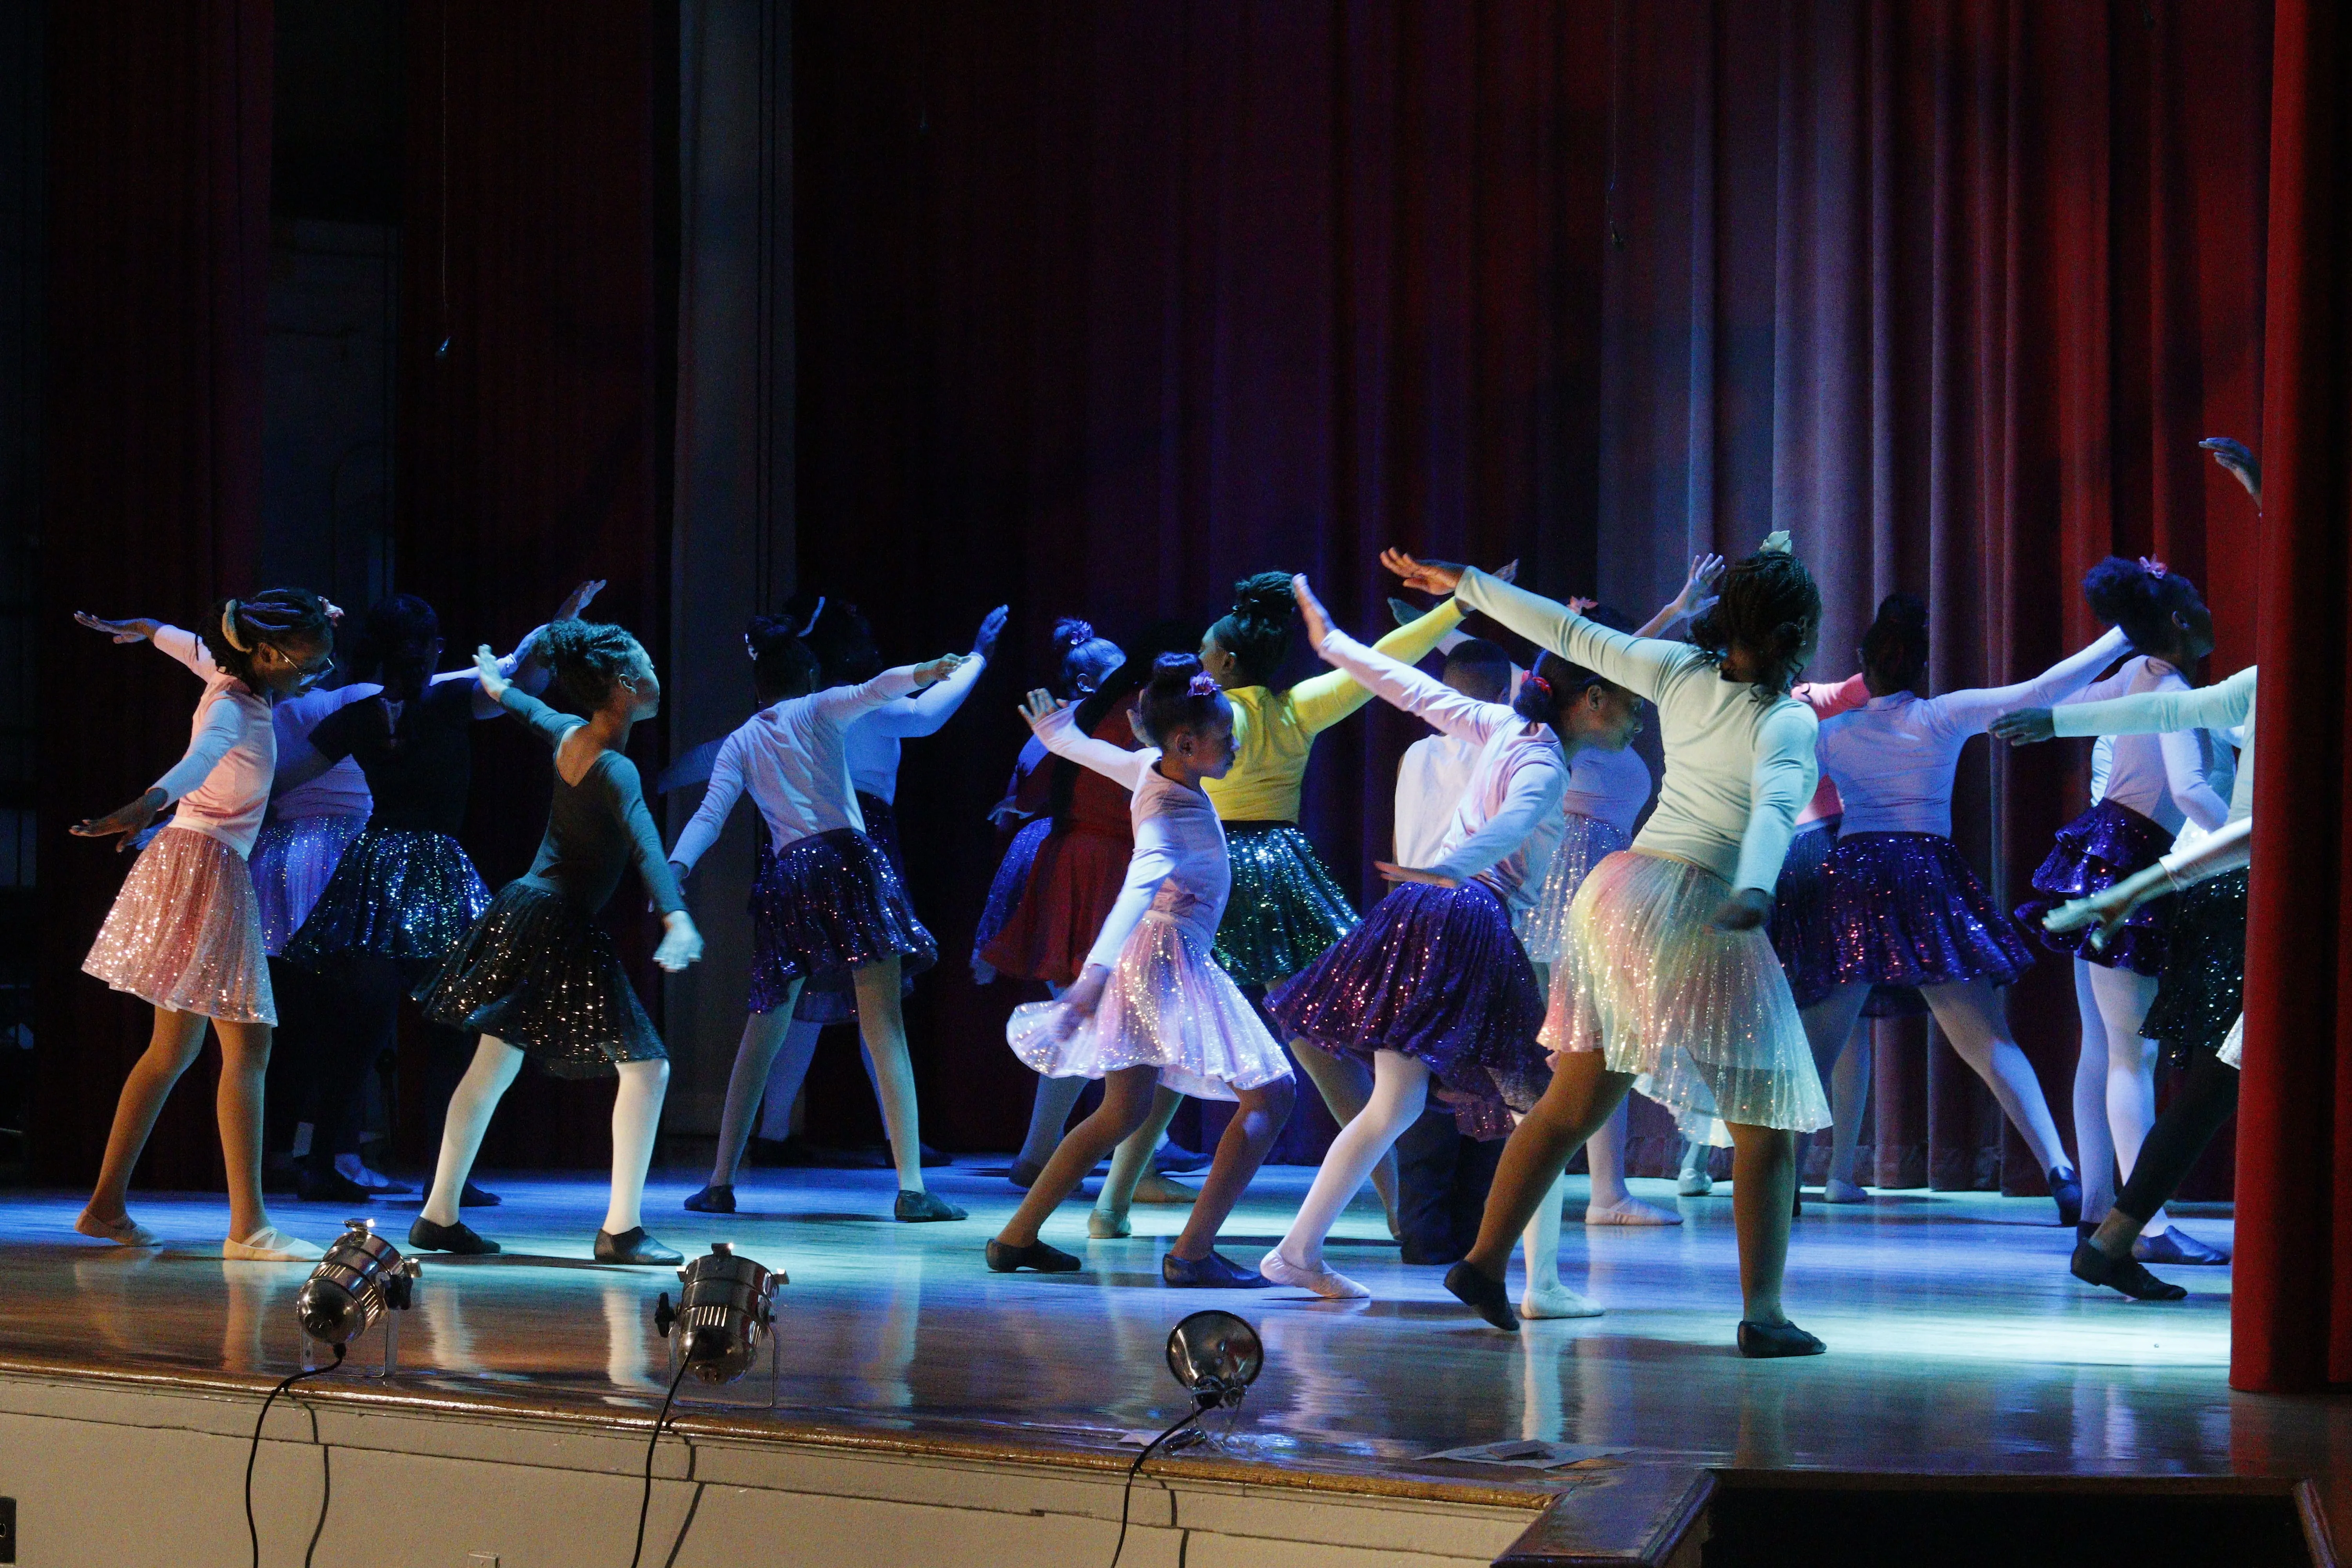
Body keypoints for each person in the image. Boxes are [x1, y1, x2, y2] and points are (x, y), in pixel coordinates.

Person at [1389, 539, 1833, 1354]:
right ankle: (1764, 1315)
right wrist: (1759, 887)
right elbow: (1773, 808)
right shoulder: (1785, 714)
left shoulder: (1679, 671)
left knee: (1572, 1102)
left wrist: (1468, 582)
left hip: (1619, 893)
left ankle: (1485, 1261)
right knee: (1766, 1122)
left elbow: (1565, 628)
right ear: (1796, 631)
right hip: (1695, 900)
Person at [1260, 573, 1644, 1319]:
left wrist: (1334, 643)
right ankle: (1544, 1287)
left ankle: (1298, 1252)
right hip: (1465, 913)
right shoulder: (1542, 760)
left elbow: (1412, 691)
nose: (1639, 719)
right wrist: (1452, 868)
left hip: (1427, 908)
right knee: (1542, 1110)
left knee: (1395, 1103)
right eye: (1630, 702)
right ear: (1592, 701)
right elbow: (1512, 822)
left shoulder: (1507, 728)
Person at [1800, 594, 2129, 1220]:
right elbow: (2042, 690)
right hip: (1926, 874)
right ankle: (2061, 1172)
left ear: (1863, 665)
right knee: (1988, 1042)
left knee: (1817, 1048)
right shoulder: (1941, 718)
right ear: (1921, 666)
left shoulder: (1831, 734)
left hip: (1858, 878)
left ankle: (1779, 1182)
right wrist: (2119, 637)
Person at [987, 654, 1297, 1285]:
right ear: (1186, 744)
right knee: (1273, 1092)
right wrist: (1095, 974)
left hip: (1153, 956)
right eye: (1227, 739)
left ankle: (1016, 1238)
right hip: (1165, 956)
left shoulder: (1149, 768)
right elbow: (1137, 885)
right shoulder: (1166, 814)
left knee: (1120, 1112)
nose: (1236, 748)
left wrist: (1055, 735)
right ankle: (1192, 1254)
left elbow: (1086, 750)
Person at [277, 589, 586, 1203]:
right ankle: (430, 1177)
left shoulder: (379, 713)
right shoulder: (444, 702)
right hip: (427, 873)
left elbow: (281, 781)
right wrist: (560, 625)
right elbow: (523, 685)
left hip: (378, 870)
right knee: (437, 1027)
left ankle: (334, 1166)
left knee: (368, 1026)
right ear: (427, 650)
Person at [410, 624, 705, 1262]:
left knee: (492, 1066)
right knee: (648, 1068)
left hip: (522, 910)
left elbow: (527, 708)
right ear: (628, 688)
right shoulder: (614, 766)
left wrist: (495, 682)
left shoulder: (572, 735)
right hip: (554, 920)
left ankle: (438, 1215)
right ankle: (621, 1231)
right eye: (650, 661)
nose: (658, 669)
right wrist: (676, 917)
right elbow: (645, 842)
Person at [1198, 572, 1477, 1234]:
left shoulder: (1208, 717)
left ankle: (1115, 1199)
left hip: (1210, 871)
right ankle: (1400, 1207)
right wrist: (1458, 607)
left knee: (1176, 1031)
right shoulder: (1298, 708)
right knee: (1315, 1045)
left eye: (1206, 651)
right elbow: (1387, 657)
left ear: (1226, 662)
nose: (1200, 658)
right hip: (1283, 873)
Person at [667, 620, 971, 1221]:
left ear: (758, 691)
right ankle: (912, 1189)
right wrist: (927, 673)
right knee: (883, 1025)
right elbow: (876, 690)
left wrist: (676, 868)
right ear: (807, 677)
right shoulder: (821, 706)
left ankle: (721, 1181)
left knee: (764, 1030)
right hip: (847, 863)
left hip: (788, 877)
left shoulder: (742, 741)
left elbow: (709, 816)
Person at [70, 591, 339, 1261]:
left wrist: (144, 625)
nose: (317, 677)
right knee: (247, 1049)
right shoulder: (233, 706)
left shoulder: (228, 672)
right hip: (206, 866)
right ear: (269, 656)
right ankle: (248, 1228)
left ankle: (106, 1207)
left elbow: (188, 643)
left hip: (192, 860)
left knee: (172, 1053)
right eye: (310, 667)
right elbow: (199, 761)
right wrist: (144, 804)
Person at [2013, 558, 2231, 1260]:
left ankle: (2101, 1209)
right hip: (2131, 854)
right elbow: (2191, 789)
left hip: (2102, 846)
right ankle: (2149, 1228)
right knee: (2128, 1056)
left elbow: (2075, 711)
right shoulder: (2163, 682)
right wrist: (2248, 840)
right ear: (2175, 620)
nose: (2205, 608)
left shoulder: (2142, 676)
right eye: (2194, 597)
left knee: (2104, 1051)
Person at [743, 595, 1003, 1164]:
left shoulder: (810, 706)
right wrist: (980, 656)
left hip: (797, 845)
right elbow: (925, 717)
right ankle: (891, 1139)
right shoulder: (852, 704)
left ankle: (772, 1133)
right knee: (874, 997)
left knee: (803, 992)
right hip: (858, 842)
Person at [980, 626, 1207, 1227]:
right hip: (1104, 865)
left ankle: (1044, 1161)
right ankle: (1121, 1175)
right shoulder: (1150, 731)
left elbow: (1057, 768)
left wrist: (1055, 736)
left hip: (1081, 857)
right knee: (1124, 1031)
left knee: (1109, 1032)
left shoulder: (1113, 715)